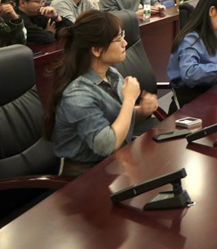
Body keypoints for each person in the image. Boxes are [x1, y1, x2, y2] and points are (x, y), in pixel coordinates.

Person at [45, 11, 159, 178]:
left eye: (123, 36)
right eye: (119, 39)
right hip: (85, 175)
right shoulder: (77, 95)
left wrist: (142, 111)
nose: (125, 43)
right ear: (97, 50)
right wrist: (129, 100)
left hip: (115, 161)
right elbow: (107, 145)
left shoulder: (111, 74)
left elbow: (117, 117)